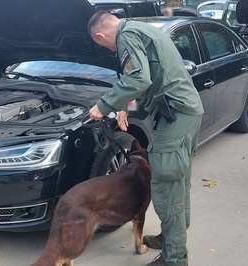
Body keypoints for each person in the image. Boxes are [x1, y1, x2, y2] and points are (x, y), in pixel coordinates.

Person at [87, 11, 204, 266]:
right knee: (178, 183)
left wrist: (104, 105)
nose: (109, 49)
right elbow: (149, 73)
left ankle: (174, 258)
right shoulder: (141, 29)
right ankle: (170, 239)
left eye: (105, 46)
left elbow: (138, 77)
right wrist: (122, 107)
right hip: (184, 113)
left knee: (165, 186)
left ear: (100, 36)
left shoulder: (125, 37)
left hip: (175, 117)